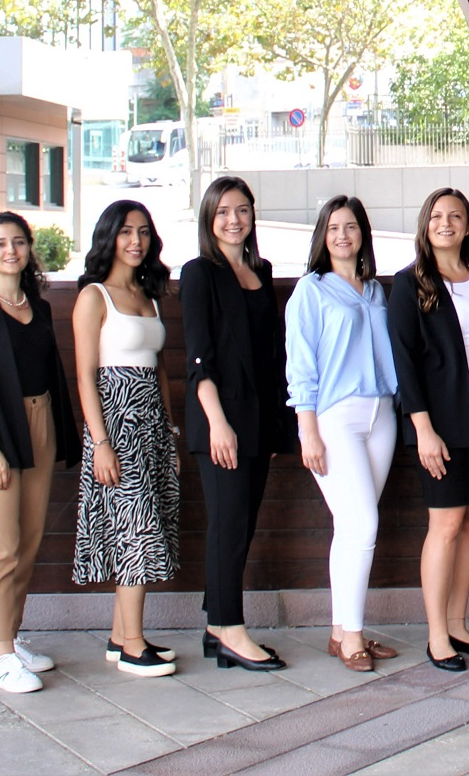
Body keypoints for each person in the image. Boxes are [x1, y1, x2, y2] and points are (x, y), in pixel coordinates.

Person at [387, 186, 469, 672]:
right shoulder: (409, 284)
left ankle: (459, 625)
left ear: (468, 226)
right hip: (440, 422)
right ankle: (437, 635)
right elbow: (405, 363)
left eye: (456, 216)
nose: (446, 224)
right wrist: (423, 429)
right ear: (425, 225)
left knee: (467, 523)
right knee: (444, 525)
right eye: (437, 216)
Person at [0, 211, 81, 694]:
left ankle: (9, 636)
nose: (11, 250)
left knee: (26, 542)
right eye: (0, 243)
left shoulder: (40, 307)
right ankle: (1, 657)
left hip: (40, 422)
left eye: (19, 242)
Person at [182, 176, 292, 672]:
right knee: (227, 524)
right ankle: (230, 629)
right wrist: (218, 424)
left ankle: (215, 624)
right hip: (219, 421)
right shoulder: (199, 273)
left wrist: (275, 424)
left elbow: (270, 354)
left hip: (258, 419)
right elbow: (198, 359)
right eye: (223, 211)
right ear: (209, 217)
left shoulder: (260, 270)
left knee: (241, 524)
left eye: (242, 210)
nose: (234, 219)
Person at [287, 196, 400, 672]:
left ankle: (341, 631)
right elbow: (300, 364)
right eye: (333, 227)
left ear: (362, 235)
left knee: (351, 527)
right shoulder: (311, 290)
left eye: (351, 226)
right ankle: (352, 634)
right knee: (363, 525)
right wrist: (307, 431)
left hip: (382, 415)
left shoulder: (374, 291)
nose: (342, 235)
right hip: (336, 418)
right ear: (323, 235)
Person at [71, 200, 180, 677]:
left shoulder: (149, 294)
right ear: (109, 237)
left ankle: (121, 636)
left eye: (143, 232)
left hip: (152, 425)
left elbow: (159, 371)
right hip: (115, 427)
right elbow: (85, 376)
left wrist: (170, 434)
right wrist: (100, 443)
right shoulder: (94, 296)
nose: (136, 241)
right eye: (126, 232)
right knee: (136, 529)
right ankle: (134, 646)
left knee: (148, 523)